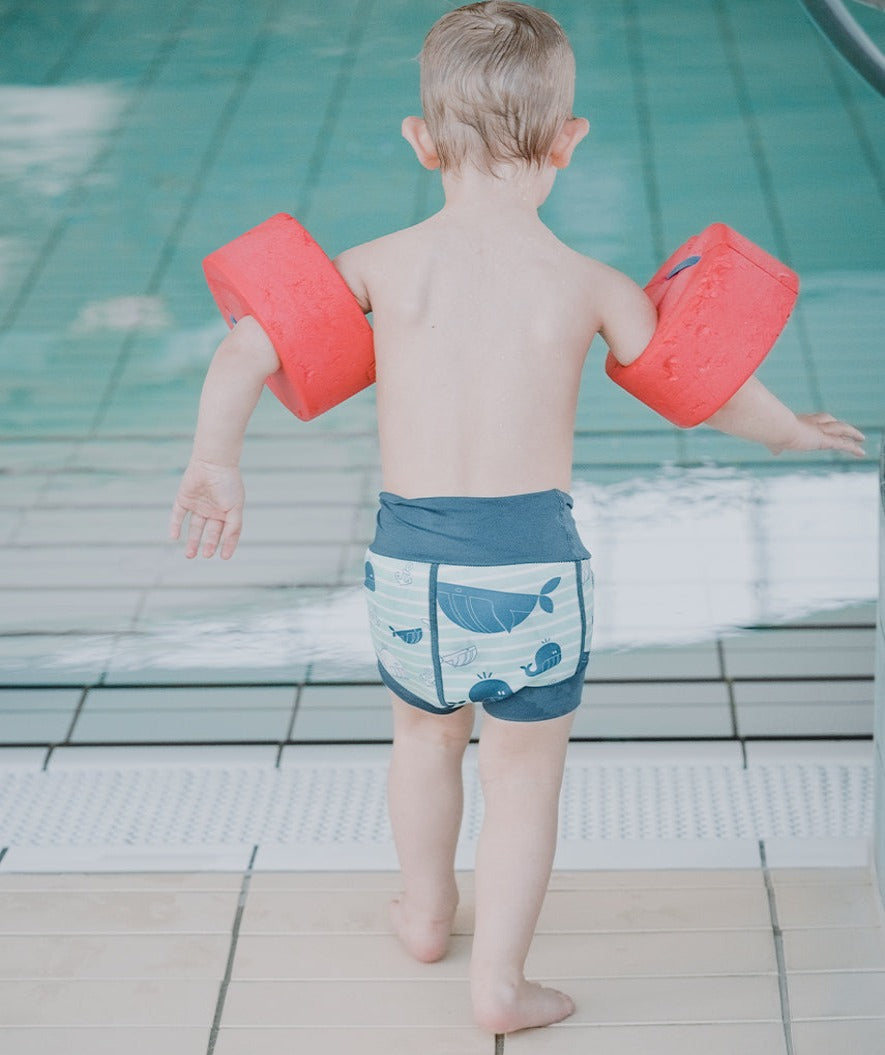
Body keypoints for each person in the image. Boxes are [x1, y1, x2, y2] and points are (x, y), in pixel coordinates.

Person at [169, 0, 865, 1034]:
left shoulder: (378, 266)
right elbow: (699, 381)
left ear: (420, 141)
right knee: (524, 776)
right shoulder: (587, 285)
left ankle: (423, 910)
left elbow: (244, 349)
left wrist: (214, 462)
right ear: (569, 140)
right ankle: (499, 980)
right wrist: (788, 434)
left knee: (420, 736)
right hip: (531, 568)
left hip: (411, 564)